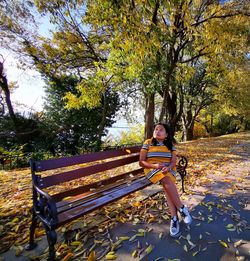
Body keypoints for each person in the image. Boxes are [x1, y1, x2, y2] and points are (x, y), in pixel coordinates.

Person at [139, 122, 192, 237]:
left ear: (166, 134)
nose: (157, 131)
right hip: (151, 169)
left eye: (161, 130)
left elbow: (173, 162)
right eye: (156, 129)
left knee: (166, 184)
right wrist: (155, 166)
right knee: (166, 181)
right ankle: (182, 209)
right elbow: (141, 162)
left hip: (168, 169)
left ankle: (174, 218)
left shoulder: (171, 145)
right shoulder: (147, 143)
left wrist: (168, 168)